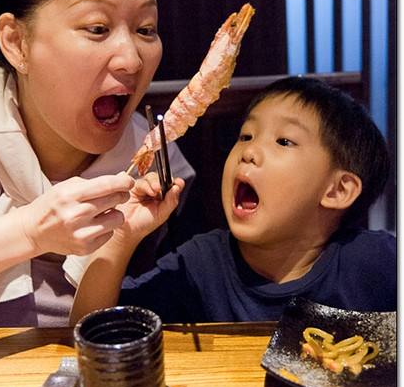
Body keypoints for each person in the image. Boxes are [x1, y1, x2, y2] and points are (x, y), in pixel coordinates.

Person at [0, 0, 195, 327]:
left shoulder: (158, 170)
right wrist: (30, 231)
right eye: (97, 28)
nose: (131, 60)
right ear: (16, 42)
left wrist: (119, 240)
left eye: (145, 29)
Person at [70, 76, 396, 325]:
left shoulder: (376, 262)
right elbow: (92, 331)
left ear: (337, 191)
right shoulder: (200, 265)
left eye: (284, 141)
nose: (248, 152)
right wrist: (122, 236)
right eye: (246, 136)